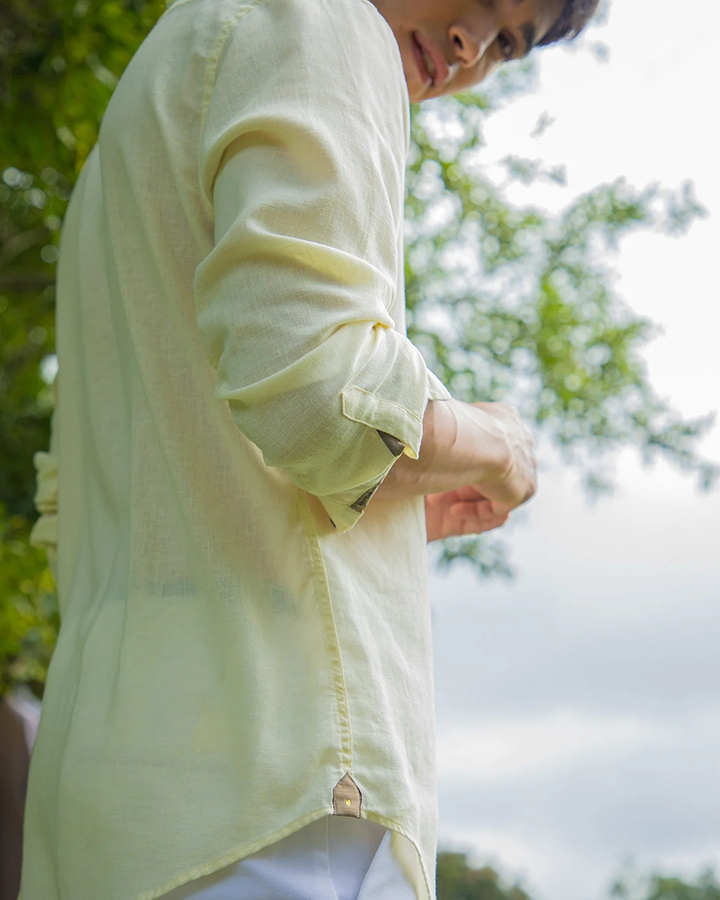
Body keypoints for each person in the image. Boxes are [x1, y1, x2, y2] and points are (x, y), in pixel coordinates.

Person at [19, 0, 599, 898]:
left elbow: (175, 475)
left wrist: (389, 496)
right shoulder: (326, 22)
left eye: (509, 41)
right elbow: (319, 392)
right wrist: (496, 445)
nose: (474, 45)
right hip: (277, 818)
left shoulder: (152, 101)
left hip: (124, 822)